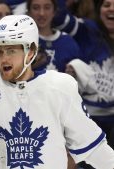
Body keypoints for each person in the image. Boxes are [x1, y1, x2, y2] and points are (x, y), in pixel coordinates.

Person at [0, 14, 114, 168]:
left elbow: (94, 148)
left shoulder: (60, 87)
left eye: (11, 51)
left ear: (31, 51)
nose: (4, 58)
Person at [54, 0, 114, 152]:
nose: (111, 9)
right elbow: (57, 18)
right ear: (99, 10)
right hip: (89, 119)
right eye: (106, 5)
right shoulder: (88, 30)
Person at [26, 0, 81, 73]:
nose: (41, 13)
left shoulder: (68, 42)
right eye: (36, 8)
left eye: (47, 7)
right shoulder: (24, 41)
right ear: (29, 12)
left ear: (54, 11)